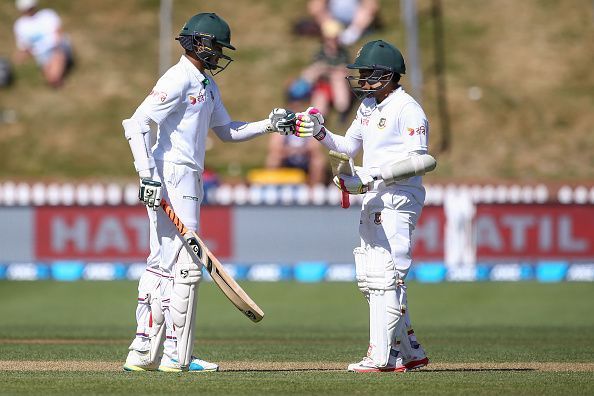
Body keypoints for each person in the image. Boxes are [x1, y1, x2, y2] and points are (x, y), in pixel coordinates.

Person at [122, 12, 296, 372]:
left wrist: (269, 124)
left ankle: (143, 351)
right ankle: (175, 355)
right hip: (171, 174)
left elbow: (227, 131)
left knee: (161, 262)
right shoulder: (177, 78)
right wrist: (147, 176)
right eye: (215, 46)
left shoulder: (205, 83)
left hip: (185, 177)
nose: (219, 53)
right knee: (184, 266)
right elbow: (137, 122)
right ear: (197, 43)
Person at [295, 40, 436, 372]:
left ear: (388, 76)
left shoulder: (408, 108)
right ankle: (410, 351)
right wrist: (319, 132)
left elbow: (424, 159)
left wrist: (373, 176)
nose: (362, 81)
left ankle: (381, 357)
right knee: (370, 278)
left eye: (369, 74)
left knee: (389, 279)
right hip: (373, 197)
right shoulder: (369, 106)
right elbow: (346, 146)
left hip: (399, 199)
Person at [12, 0, 73, 88]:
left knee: (55, 69)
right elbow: (25, 46)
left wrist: (56, 47)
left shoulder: (47, 15)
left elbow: (58, 32)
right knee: (50, 74)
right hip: (42, 54)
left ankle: (57, 78)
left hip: (57, 47)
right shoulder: (20, 25)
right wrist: (21, 56)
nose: (29, 10)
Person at [307, 0, 380, 46]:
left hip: (358, 20)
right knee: (317, 8)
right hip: (333, 20)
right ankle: (333, 34)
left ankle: (351, 35)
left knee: (368, 9)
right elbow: (316, 6)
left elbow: (372, 5)